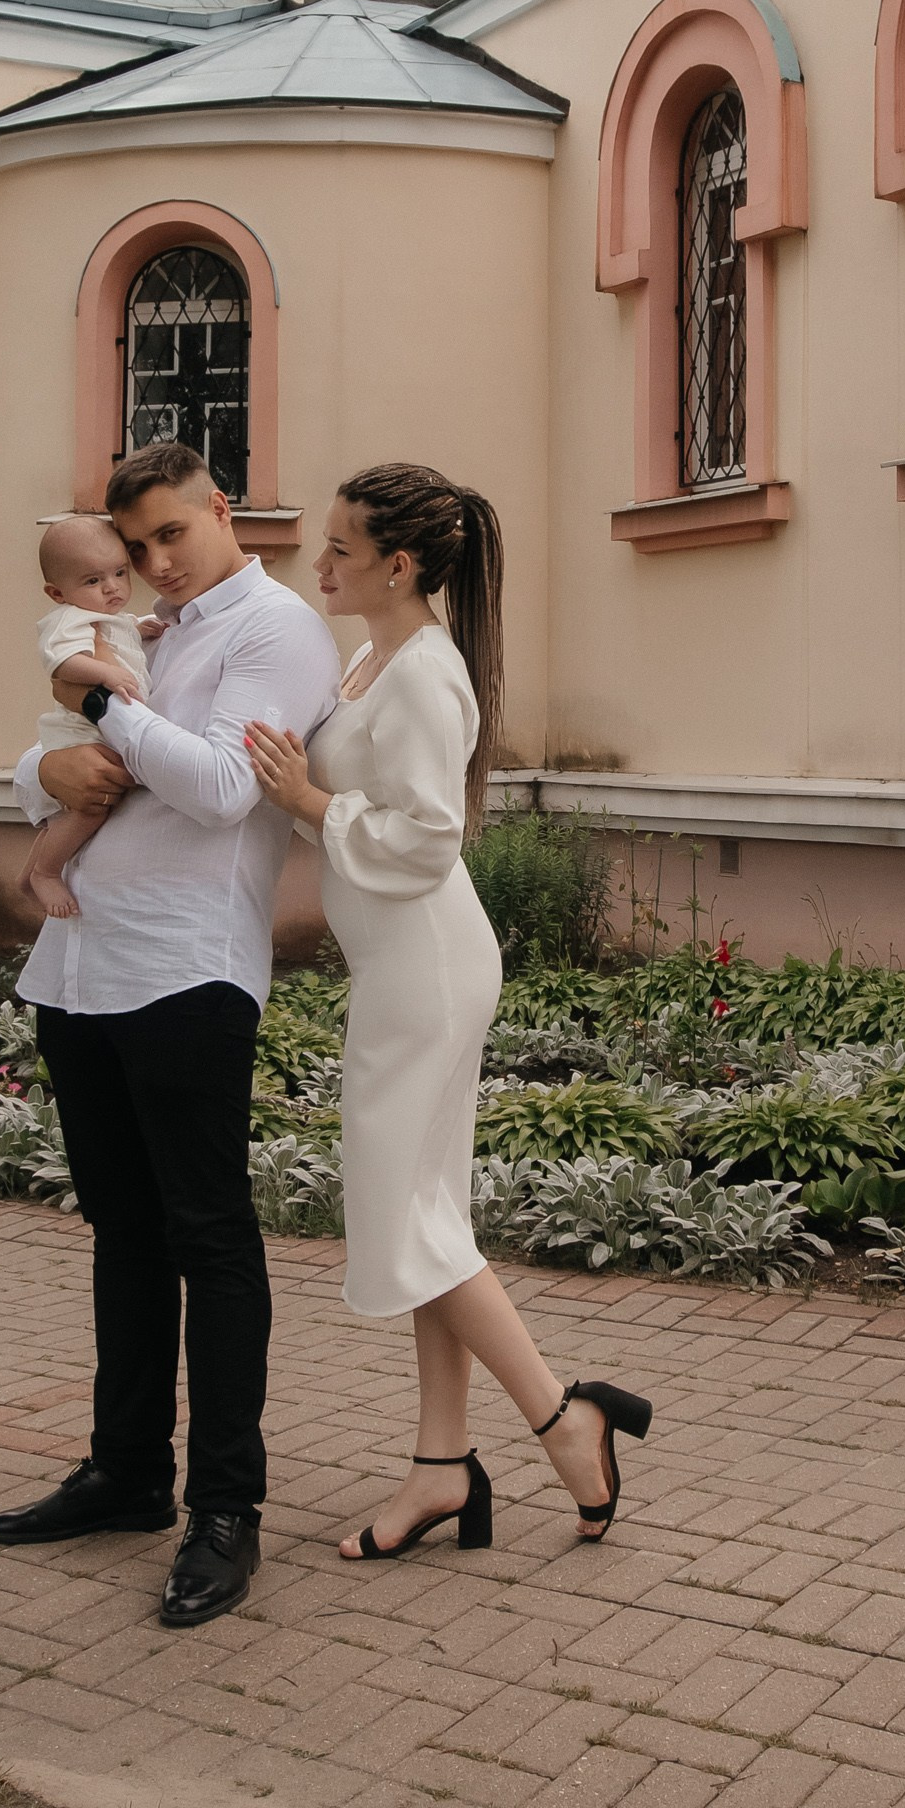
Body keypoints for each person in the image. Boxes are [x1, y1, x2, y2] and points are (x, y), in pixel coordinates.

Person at [246, 463, 652, 1562]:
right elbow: (357, 813)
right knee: (429, 1215)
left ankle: (565, 1418)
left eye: (338, 548)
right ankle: (439, 1466)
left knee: (405, 1218)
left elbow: (428, 839)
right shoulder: (371, 661)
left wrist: (306, 799)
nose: (318, 563)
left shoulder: (426, 674)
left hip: (425, 970)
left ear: (398, 565)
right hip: (400, 967)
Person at [0, 442, 338, 1630]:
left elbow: (222, 789)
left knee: (209, 1237)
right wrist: (48, 763)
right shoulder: (148, 632)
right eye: (134, 547)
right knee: (121, 1232)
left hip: (186, 971)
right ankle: (127, 1470)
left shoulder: (275, 632)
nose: (153, 562)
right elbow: (56, 777)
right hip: (81, 967)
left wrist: (95, 704)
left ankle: (225, 1508)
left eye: (170, 535)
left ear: (219, 509)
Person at [19, 513, 159, 922]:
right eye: (93, 580)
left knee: (66, 815)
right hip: (81, 735)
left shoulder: (100, 617)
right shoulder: (68, 620)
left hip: (93, 734)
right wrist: (106, 674)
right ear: (57, 593)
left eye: (119, 572)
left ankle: (29, 874)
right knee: (91, 807)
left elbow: (117, 633)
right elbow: (62, 662)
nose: (112, 587)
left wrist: (139, 627)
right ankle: (46, 873)